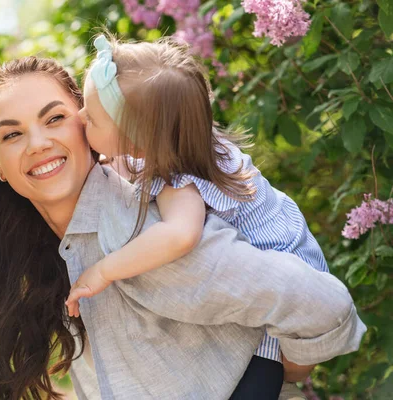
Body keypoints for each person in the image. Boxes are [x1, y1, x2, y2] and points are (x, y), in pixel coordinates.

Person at [0, 56, 366, 400]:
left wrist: (284, 370)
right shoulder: (65, 254)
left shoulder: (140, 228)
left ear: (87, 124)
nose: (37, 143)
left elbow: (322, 305)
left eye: (54, 118)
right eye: (12, 134)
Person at [65, 35, 329, 367]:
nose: (78, 118)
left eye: (91, 119)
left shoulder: (181, 179)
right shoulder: (184, 143)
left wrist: (104, 271)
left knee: (251, 377)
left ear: (137, 143)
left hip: (284, 295)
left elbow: (180, 236)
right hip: (295, 270)